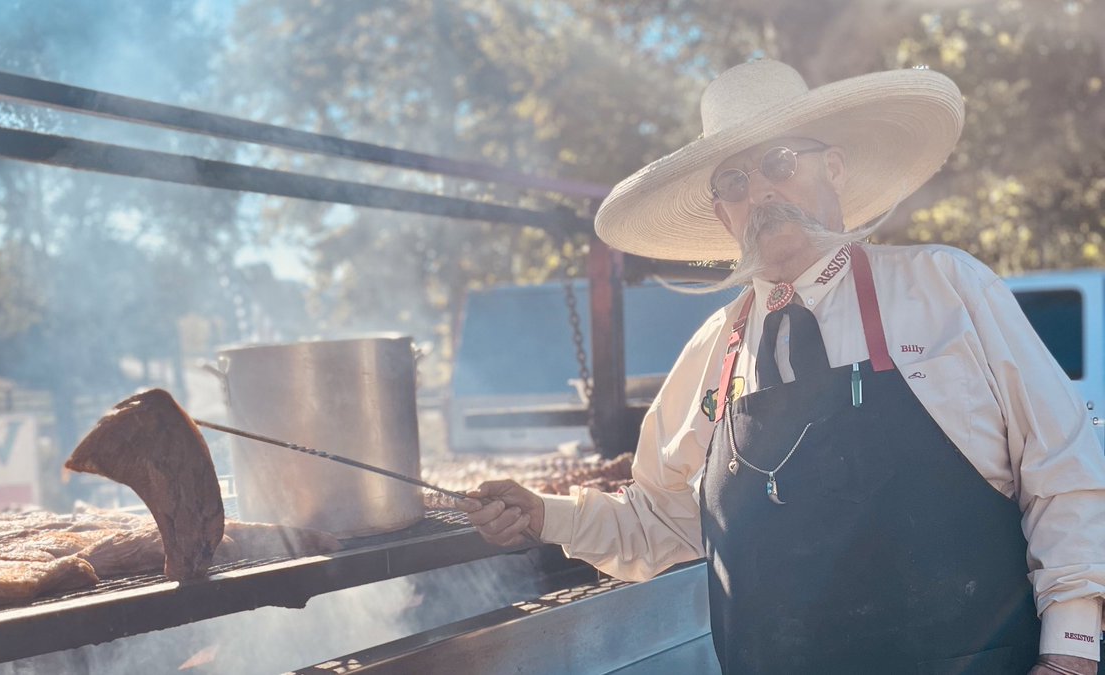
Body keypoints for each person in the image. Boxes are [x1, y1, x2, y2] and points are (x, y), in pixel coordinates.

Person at [457, 59, 1105, 675]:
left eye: (780, 162)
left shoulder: (944, 289)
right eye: (734, 182)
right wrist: (545, 514)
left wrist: (1071, 647)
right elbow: (658, 520)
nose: (762, 191)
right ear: (721, 214)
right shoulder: (715, 350)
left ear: (835, 169)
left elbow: (1065, 470)